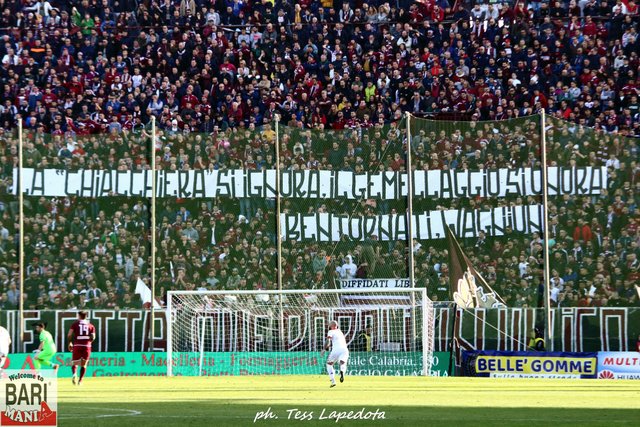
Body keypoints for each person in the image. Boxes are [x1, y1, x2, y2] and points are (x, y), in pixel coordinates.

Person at [67, 311, 96, 385]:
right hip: (87, 345)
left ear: (79, 316)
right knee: (84, 364)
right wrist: (89, 342)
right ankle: (80, 381)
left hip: (77, 345)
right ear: (86, 316)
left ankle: (74, 374)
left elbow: (69, 334)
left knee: (75, 362)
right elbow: (93, 337)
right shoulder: (91, 325)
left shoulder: (75, 324)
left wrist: (70, 343)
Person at [321, 321, 349, 388]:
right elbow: (336, 341)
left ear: (332, 325)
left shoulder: (331, 331)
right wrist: (330, 346)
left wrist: (324, 349)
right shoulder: (340, 332)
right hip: (345, 349)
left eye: (330, 324)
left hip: (336, 350)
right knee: (343, 363)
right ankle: (342, 371)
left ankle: (333, 381)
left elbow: (328, 341)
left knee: (329, 364)